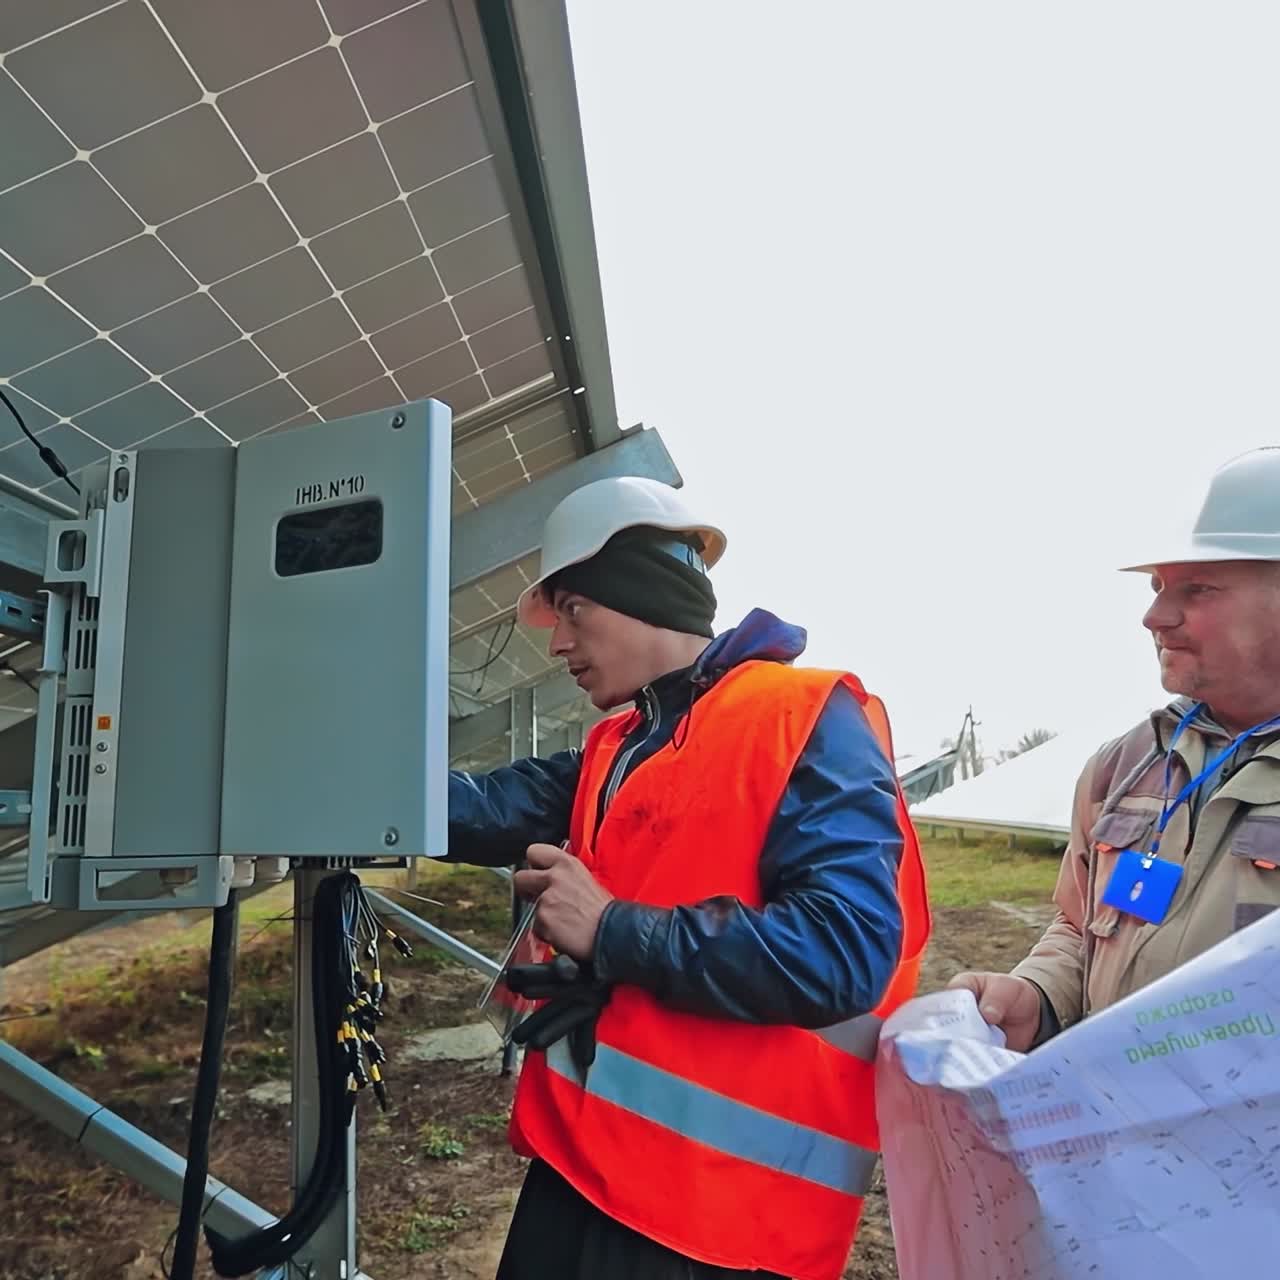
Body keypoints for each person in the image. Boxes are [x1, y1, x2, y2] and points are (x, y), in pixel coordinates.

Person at [447, 475, 930, 1280]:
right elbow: (484, 807)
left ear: (641, 596)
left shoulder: (802, 718)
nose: (557, 644)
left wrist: (612, 932)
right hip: (587, 1172)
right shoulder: (624, 744)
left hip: (720, 1222)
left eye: (573, 610)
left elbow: (843, 951)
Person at [951, 447, 1280, 1049]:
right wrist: (1037, 995)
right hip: (1116, 1108)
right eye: (1158, 587)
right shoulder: (1126, 767)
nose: (1154, 616)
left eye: (1198, 589)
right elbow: (1080, 926)